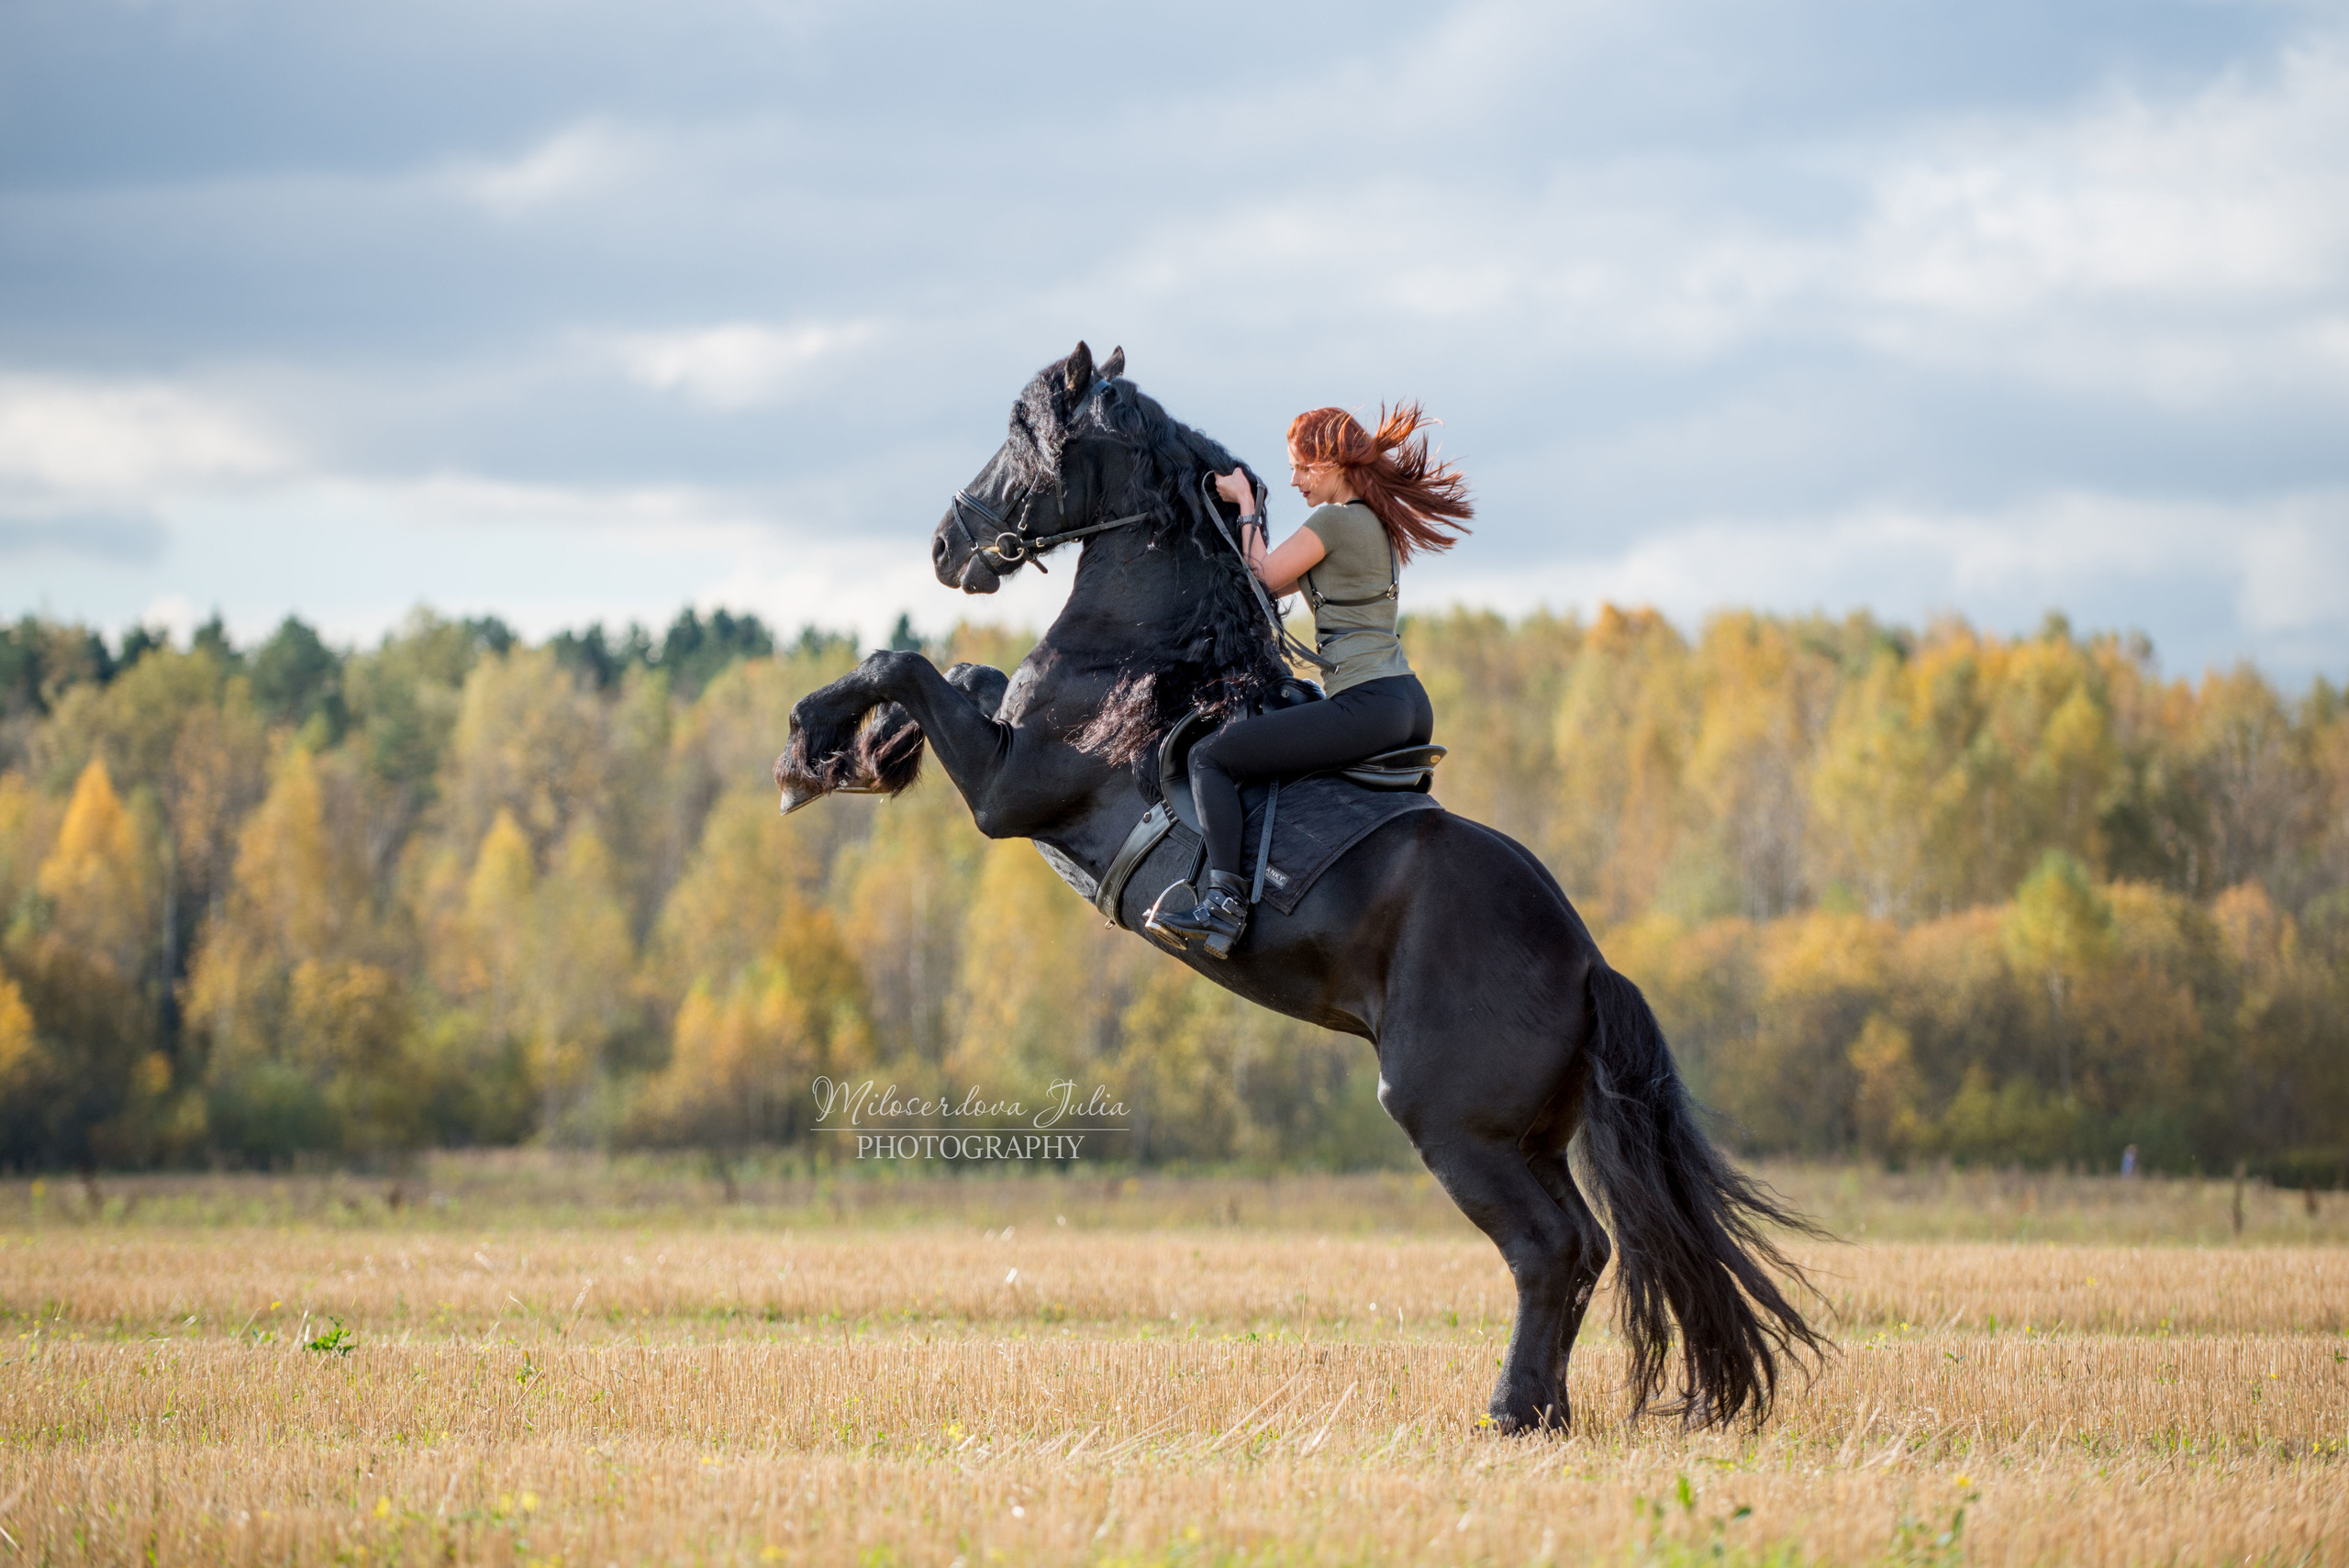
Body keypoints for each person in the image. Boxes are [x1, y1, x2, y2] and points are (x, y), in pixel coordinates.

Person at [1147, 403, 1473, 957]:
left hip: (1368, 702)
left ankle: (1224, 905)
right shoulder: (1373, 522)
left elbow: (1261, 577)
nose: (1296, 480)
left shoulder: (1334, 521)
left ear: (1332, 462)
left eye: (1302, 467)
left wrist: (1247, 503)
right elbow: (1273, 583)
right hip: (1405, 700)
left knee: (1210, 759)